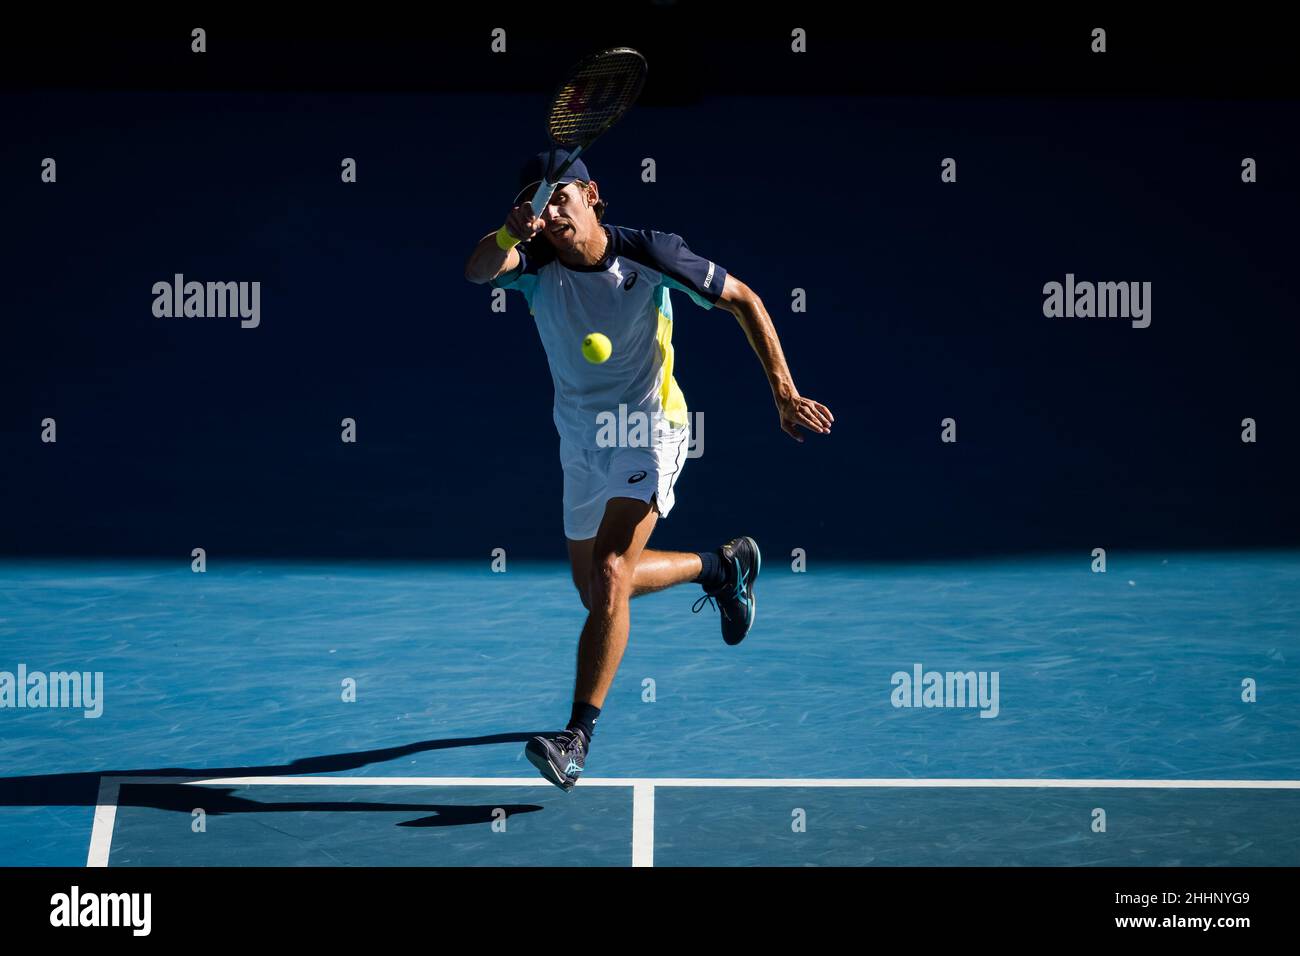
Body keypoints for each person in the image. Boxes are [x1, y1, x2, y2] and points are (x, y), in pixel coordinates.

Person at [464, 148, 833, 790]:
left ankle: (575, 739)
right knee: (596, 593)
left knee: (611, 570)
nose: (551, 213)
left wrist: (784, 392)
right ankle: (721, 567)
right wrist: (504, 234)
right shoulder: (534, 263)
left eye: (560, 197)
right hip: (579, 441)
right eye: (538, 204)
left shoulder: (650, 253)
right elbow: (476, 272)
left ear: (592, 195)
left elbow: (743, 298)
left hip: (649, 428)